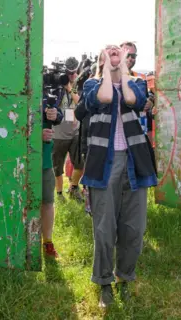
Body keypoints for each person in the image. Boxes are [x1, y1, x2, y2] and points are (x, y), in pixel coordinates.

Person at [82, 45, 157, 307]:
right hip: (104, 164)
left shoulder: (136, 83)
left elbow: (132, 100)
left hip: (135, 163)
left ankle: (124, 278)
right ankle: (104, 283)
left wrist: (123, 68)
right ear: (102, 59)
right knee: (104, 230)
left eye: (119, 52)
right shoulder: (92, 85)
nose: (115, 53)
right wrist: (106, 70)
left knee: (134, 229)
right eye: (109, 51)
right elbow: (101, 98)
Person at [52, 57, 84, 201]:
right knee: (57, 166)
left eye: (74, 72)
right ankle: (59, 194)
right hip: (58, 132)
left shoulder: (79, 83)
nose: (71, 75)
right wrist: (61, 85)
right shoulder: (57, 85)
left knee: (79, 163)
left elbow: (79, 101)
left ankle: (73, 187)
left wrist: (69, 87)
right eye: (69, 73)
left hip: (75, 131)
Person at [119, 42, 156, 143]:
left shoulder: (139, 78)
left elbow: (145, 99)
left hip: (137, 134)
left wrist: (151, 100)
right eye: (126, 55)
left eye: (133, 56)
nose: (130, 58)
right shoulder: (109, 78)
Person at [41, 103, 63, 258]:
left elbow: (59, 115)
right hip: (18, 159)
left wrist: (55, 114)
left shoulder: (44, 89)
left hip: (44, 161)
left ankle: (47, 242)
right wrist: (36, 134)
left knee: (48, 202)